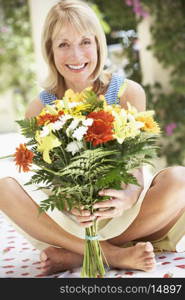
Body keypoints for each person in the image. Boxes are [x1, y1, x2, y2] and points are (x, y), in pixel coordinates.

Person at [0, 0, 185, 276]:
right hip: (73, 221)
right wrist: (66, 199)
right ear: (50, 50)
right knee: (4, 188)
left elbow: (136, 166)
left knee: (180, 179)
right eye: (63, 44)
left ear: (99, 43)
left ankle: (74, 255)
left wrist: (129, 194)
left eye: (85, 41)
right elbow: (49, 178)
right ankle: (112, 254)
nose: (76, 55)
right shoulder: (38, 109)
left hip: (125, 213)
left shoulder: (127, 93)